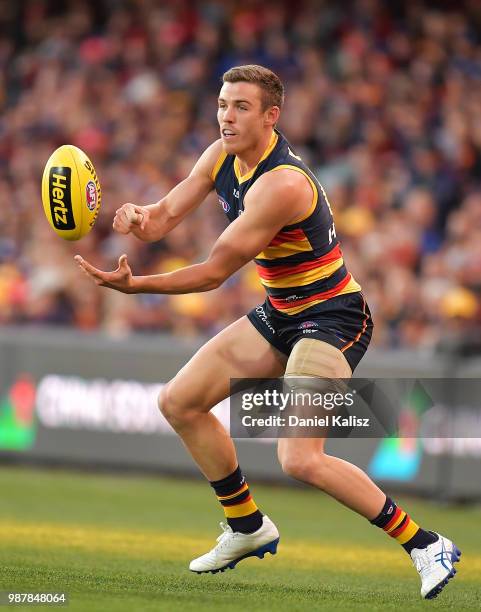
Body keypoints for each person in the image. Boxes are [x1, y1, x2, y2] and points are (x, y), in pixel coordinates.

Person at [75, 65, 460, 600]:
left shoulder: (282, 184)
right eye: (222, 104)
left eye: (241, 107)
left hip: (333, 318)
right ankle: (246, 526)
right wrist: (139, 217)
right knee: (178, 401)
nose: (226, 117)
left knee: (300, 458)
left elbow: (212, 274)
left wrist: (135, 286)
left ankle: (426, 543)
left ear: (271, 116)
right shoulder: (219, 155)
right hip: (281, 313)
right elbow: (163, 218)